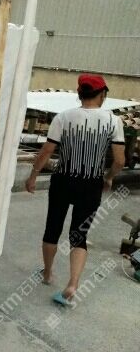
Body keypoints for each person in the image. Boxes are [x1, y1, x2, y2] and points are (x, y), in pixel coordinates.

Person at [24, 74, 125, 306]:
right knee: (79, 235)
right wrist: (109, 177)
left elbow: (46, 151)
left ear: (80, 94)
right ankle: (72, 284)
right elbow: (120, 160)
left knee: (53, 228)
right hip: (91, 184)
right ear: (102, 95)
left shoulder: (63, 117)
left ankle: (47, 273)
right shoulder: (113, 121)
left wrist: (33, 176)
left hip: (63, 180)